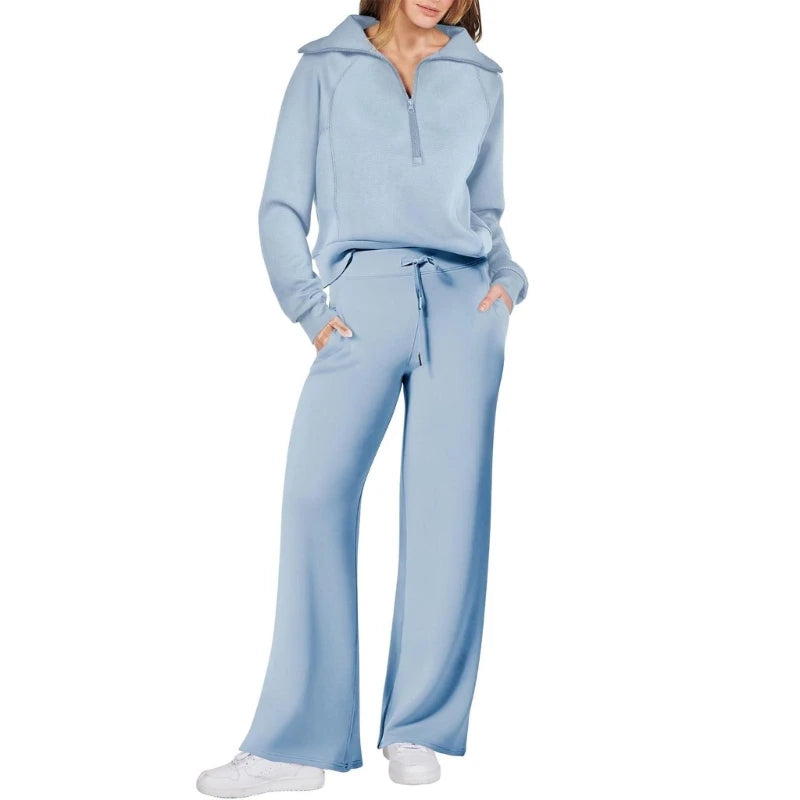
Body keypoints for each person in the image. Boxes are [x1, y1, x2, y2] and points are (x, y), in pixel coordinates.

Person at [197, 1, 528, 794]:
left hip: (464, 305)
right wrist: (310, 311)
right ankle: (296, 743)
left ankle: (419, 726)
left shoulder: (482, 78)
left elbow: (485, 212)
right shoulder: (325, 67)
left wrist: (507, 285)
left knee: (448, 516)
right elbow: (281, 206)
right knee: (314, 497)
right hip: (360, 300)